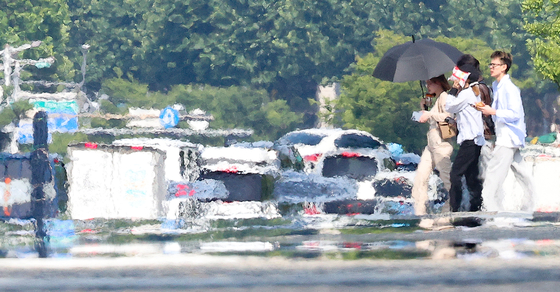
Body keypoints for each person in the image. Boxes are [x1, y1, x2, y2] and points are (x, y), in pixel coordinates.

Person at [479, 51, 534, 212]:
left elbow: (514, 113)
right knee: (522, 174)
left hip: (509, 138)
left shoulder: (509, 88)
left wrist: (493, 112)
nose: (491, 68)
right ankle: (532, 203)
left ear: (504, 67)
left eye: (494, 65)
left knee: (492, 175)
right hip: (506, 136)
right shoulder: (497, 86)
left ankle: (491, 210)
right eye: (490, 64)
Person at [445, 64, 485, 212]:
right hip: (475, 140)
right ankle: (476, 206)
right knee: (471, 176)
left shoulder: (466, 93)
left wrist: (454, 89)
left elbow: (449, 106)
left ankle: (455, 207)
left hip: (470, 140)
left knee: (455, 173)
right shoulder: (472, 93)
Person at [411, 75, 453, 216]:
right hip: (431, 143)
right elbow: (422, 118)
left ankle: (451, 209)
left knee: (447, 179)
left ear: (438, 83)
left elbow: (449, 117)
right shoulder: (436, 100)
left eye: (430, 84)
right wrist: (423, 108)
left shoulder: (445, 97)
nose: (428, 86)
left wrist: (430, 114)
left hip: (441, 142)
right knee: (421, 177)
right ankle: (420, 210)